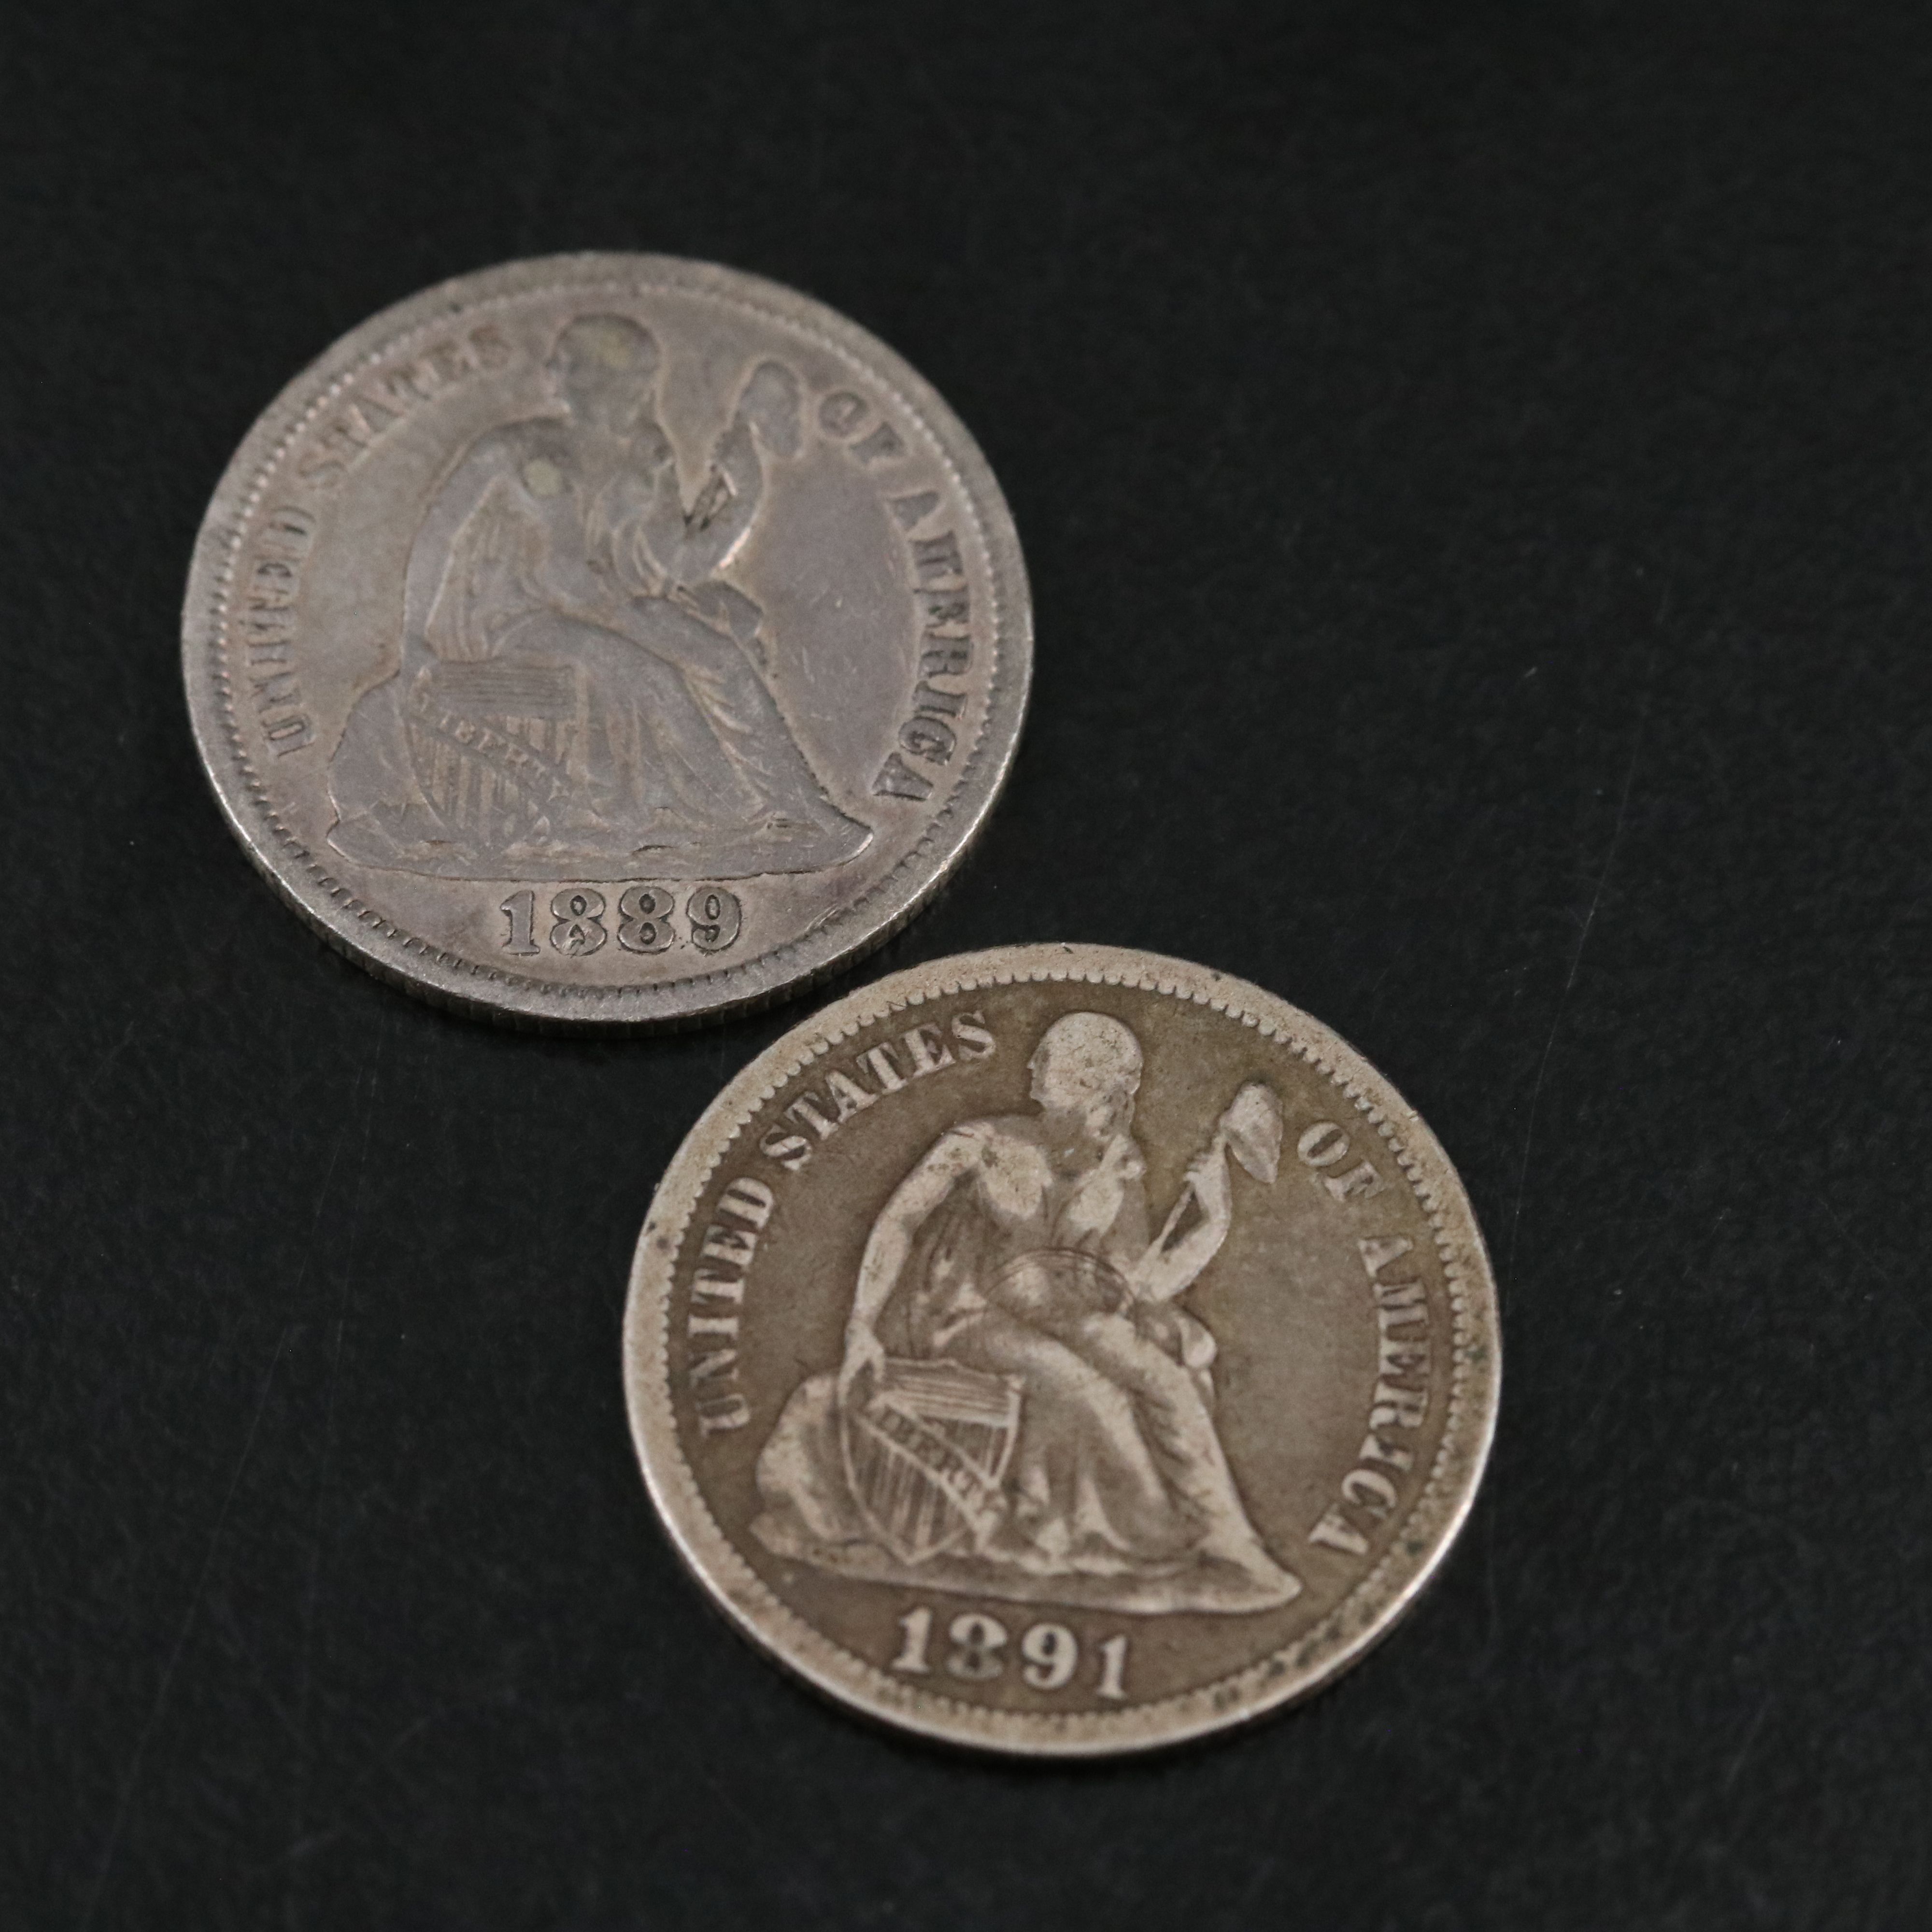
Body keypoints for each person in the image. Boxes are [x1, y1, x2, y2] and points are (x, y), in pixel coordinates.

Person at [751, 1013, 1300, 1613]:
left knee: (1166, 1378)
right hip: (968, 1317)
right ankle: (1117, 1537)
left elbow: (1137, 1287)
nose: (1033, 1067)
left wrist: (1211, 1225)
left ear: (1097, 1086)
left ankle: (1229, 1545)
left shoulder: (1120, 1164)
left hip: (1067, 1312)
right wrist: (860, 1327)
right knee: (1076, 1382)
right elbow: (898, 1222)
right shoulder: (979, 1143)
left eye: (1051, 1060)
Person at [327, 313, 869, 879]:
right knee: (642, 673)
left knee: (722, 659)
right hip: (519, 618)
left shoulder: (647, 452)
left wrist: (744, 492)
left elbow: (678, 564)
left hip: (613, 603)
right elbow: (442, 533)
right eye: (562, 365)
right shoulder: (515, 448)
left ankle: (799, 811)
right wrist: (415, 632)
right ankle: (712, 819)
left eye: (573, 366)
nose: (555, 376)